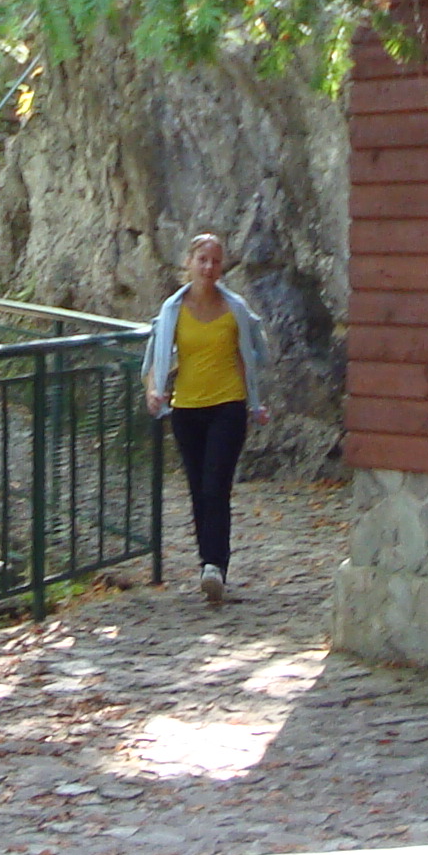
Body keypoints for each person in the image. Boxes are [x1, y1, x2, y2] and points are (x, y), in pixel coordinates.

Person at [142, 232, 267, 605]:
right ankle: (207, 563)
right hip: (186, 409)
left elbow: (252, 354)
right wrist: (153, 391)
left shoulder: (235, 309)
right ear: (189, 263)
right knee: (199, 489)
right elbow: (154, 359)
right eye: (202, 260)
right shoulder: (172, 311)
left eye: (215, 261)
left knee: (216, 485)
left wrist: (254, 400)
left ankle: (215, 565)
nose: (209, 267)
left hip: (228, 406)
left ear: (222, 266)